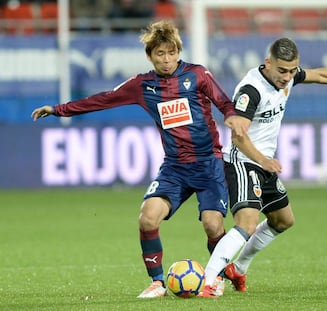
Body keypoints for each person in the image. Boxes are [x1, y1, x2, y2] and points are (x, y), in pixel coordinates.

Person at [31, 20, 248, 298]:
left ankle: (218, 274)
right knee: (147, 218)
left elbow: (224, 102)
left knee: (212, 225)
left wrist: (232, 117)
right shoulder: (142, 85)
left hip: (209, 162)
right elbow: (103, 99)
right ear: (150, 56)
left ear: (179, 52)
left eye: (171, 53)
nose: (167, 60)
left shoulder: (197, 75)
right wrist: (58, 109)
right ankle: (158, 282)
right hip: (174, 167)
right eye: (160, 54)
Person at [197, 37, 327, 297]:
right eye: (282, 71)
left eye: (292, 71)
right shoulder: (251, 90)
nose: (288, 77)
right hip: (243, 162)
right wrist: (263, 160)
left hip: (264, 163)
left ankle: (239, 268)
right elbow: (238, 137)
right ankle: (209, 281)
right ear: (268, 63)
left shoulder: (288, 76)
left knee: (283, 220)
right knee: (247, 223)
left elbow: (320, 75)